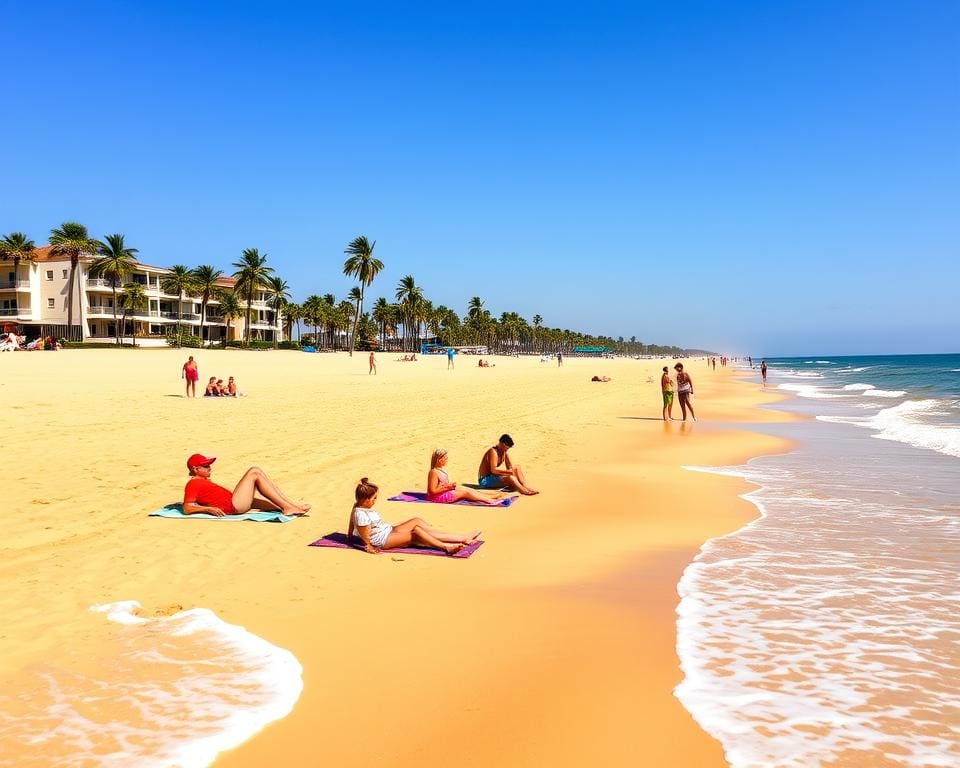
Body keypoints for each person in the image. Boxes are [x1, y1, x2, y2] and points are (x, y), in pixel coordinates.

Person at [348, 478, 480, 555]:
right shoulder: (361, 514)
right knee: (416, 533)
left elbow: (351, 520)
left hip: (387, 530)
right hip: (383, 540)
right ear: (365, 500)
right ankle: (446, 547)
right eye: (374, 498)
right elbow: (366, 537)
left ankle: (462, 537)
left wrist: (349, 535)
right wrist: (369, 547)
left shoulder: (358, 506)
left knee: (416, 521)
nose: (375, 501)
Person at [182, 454, 310, 517]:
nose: (210, 468)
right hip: (234, 506)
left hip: (234, 502)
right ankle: (289, 507)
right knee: (254, 472)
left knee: (275, 501)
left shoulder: (202, 481)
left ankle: (292, 506)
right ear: (195, 469)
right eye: (206, 466)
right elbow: (187, 508)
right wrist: (208, 509)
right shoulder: (193, 484)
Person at [427, 449, 510, 505]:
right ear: (439, 460)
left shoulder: (441, 470)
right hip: (437, 498)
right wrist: (448, 487)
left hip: (444, 492)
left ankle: (489, 496)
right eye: (445, 458)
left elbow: (441, 485)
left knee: (465, 489)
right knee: (466, 493)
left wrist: (449, 486)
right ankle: (490, 501)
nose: (446, 459)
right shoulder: (433, 472)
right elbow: (432, 491)